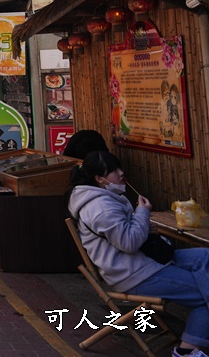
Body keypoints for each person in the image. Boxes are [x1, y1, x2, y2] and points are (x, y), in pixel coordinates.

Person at [69, 151, 209, 357]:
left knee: (204, 256)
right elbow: (129, 242)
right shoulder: (100, 207)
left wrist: (141, 224)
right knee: (202, 298)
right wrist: (142, 214)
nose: (121, 173)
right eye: (114, 171)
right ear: (99, 179)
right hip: (133, 273)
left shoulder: (105, 197)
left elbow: (126, 234)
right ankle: (185, 352)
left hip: (145, 261)